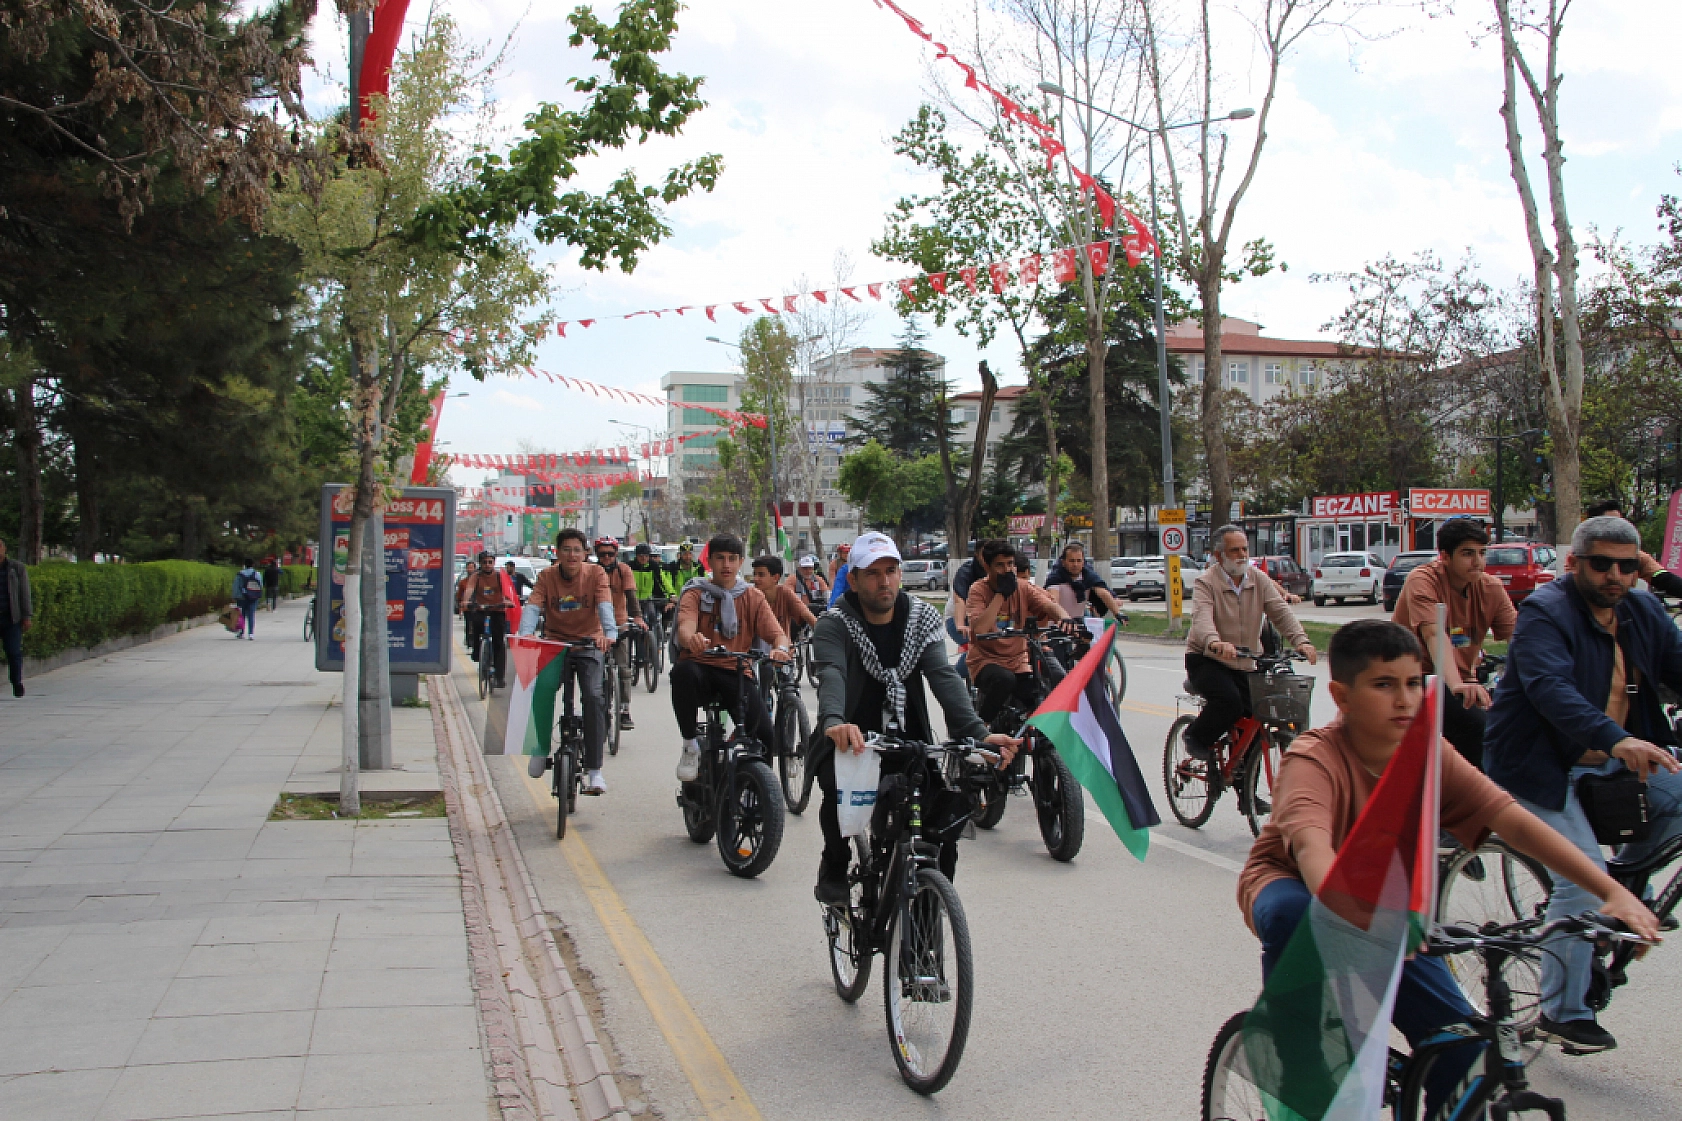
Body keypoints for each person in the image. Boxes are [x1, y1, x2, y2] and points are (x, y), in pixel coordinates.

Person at [1239, 619, 1658, 1117]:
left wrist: (1610, 890)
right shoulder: (1314, 757)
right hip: (1300, 887)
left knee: (1462, 1046)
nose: (1404, 700)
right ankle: (1301, 1048)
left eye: (1414, 683)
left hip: (1388, 901)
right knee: (1294, 913)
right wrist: (1363, 915)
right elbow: (1311, 851)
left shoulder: (1428, 754)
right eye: (1383, 685)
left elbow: (1514, 822)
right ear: (1342, 696)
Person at [1483, 514, 1682, 1052]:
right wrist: (1618, 740)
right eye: (1601, 565)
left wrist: (1626, 746)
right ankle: (1561, 1010)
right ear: (1573, 564)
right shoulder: (1546, 612)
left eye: (1626, 566)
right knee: (1583, 873)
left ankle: (1621, 899)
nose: (1614, 576)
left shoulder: (1643, 611)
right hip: (1538, 766)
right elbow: (1550, 688)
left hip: (1616, 762)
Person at [811, 531, 1020, 903]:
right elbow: (832, 674)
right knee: (839, 790)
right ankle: (835, 865)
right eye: (872, 573)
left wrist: (978, 733)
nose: (884, 581)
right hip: (852, 738)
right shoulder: (834, 623)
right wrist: (833, 723)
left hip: (909, 740)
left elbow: (942, 677)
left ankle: (927, 912)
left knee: (941, 821)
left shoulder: (921, 617)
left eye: (891, 570)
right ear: (854, 579)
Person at [1182, 525, 1318, 762]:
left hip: (1245, 661)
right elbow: (1202, 618)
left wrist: (1301, 641)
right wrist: (1214, 642)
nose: (1242, 555)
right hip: (1207, 659)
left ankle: (1246, 792)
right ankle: (1196, 736)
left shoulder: (1259, 580)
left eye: (1245, 549)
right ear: (1219, 555)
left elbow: (1280, 613)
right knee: (1229, 702)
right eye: (1234, 550)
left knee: (1256, 722)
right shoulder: (1206, 582)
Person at [1390, 518, 1516, 769]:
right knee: (1478, 729)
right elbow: (1435, 634)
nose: (1478, 561)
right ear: (1445, 557)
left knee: (1511, 729)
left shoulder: (1491, 588)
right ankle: (1471, 798)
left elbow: (1522, 639)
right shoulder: (1423, 580)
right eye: (1468, 554)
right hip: (1415, 679)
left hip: (1463, 682)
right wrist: (1457, 683)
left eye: (1482, 553)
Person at [671, 534, 791, 782]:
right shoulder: (695, 592)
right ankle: (690, 744)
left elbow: (777, 634)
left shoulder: (752, 596)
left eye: (732, 559)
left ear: (741, 562)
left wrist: (780, 648)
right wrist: (691, 638)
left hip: (736, 672)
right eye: (720, 558)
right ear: (709, 561)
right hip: (699, 668)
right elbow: (685, 626)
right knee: (682, 672)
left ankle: (757, 795)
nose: (726, 565)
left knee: (765, 735)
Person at [526, 529, 616, 794]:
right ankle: (540, 749)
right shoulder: (546, 576)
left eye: (577, 550)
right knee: (541, 689)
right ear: (557, 553)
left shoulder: (596, 573)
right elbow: (533, 605)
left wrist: (609, 634)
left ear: (585, 553)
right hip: (555, 643)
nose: (572, 555)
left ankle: (594, 770)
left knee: (593, 696)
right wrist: (526, 634)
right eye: (566, 549)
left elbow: (604, 603)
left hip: (589, 643)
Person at [965, 539, 1076, 726]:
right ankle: (980, 728)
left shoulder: (1023, 587)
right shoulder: (978, 590)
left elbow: (1049, 605)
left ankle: (1040, 747)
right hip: (986, 661)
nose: (1007, 570)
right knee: (1004, 679)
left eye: (1010, 564)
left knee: (1040, 695)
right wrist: (1001, 594)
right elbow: (981, 628)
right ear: (987, 566)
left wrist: (1065, 619)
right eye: (999, 565)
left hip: (1018, 662)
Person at [595, 537, 641, 730]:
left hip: (620, 624)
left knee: (623, 669)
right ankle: (595, 708)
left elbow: (631, 595)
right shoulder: (590, 570)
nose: (606, 557)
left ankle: (624, 710)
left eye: (610, 554)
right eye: (602, 554)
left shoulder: (624, 570)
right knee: (593, 670)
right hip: (595, 629)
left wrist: (637, 617)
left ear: (616, 554)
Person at [752, 555, 816, 694]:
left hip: (783, 651)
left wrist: (823, 633)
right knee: (761, 689)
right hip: (758, 654)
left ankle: (790, 708)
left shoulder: (785, 593)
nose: (755, 579)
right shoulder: (751, 596)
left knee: (789, 688)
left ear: (775, 577)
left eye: (761, 575)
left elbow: (806, 614)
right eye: (755, 574)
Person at [458, 551, 513, 688]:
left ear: (494, 563)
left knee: (499, 643)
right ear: (480, 564)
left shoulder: (500, 576)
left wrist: (507, 601)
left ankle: (499, 677)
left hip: (497, 609)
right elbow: (469, 590)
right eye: (484, 562)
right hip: (480, 608)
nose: (487, 565)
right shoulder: (476, 577)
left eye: (490, 562)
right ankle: (477, 650)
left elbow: (508, 591)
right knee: (476, 625)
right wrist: (465, 602)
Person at [1042, 541, 1124, 620]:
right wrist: (1063, 618)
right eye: (1072, 561)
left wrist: (1117, 613)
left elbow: (1102, 592)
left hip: (1078, 624)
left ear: (1083, 562)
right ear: (1063, 562)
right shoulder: (1055, 578)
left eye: (1079, 560)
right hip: (1057, 624)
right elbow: (1053, 601)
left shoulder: (1088, 576)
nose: (1075, 564)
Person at [0, 536, 32, 698]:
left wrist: (26, 616)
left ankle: (16, 682)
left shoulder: (16, 568)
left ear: (4, 550)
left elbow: (24, 593)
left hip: (11, 618)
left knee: (13, 652)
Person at [628, 543, 672, 631]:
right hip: (633, 599)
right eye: (641, 556)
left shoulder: (653, 566)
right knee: (630, 622)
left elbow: (663, 581)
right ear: (636, 556)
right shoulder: (629, 566)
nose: (644, 558)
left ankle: (654, 638)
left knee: (652, 617)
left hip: (647, 599)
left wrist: (671, 594)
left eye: (646, 556)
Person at [233, 559, 264, 640]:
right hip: (253, 597)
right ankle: (251, 633)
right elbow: (260, 585)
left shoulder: (240, 574)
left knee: (241, 615)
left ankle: (241, 632)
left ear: (244, 564)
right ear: (253, 564)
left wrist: (235, 596)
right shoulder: (257, 574)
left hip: (242, 597)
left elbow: (236, 587)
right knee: (251, 615)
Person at [827, 543, 852, 607]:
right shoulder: (834, 563)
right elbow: (832, 579)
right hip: (839, 588)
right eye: (844, 553)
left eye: (848, 552)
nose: (846, 555)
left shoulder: (854, 563)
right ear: (840, 553)